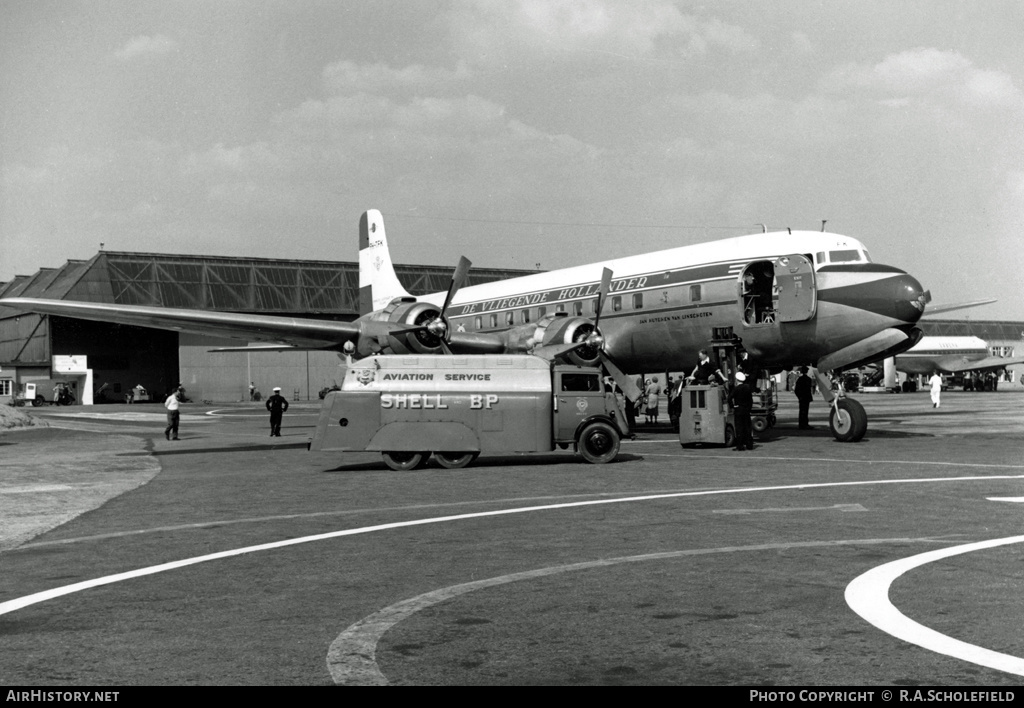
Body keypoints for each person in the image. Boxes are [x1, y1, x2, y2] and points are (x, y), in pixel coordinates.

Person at [728, 371, 754, 451]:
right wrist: (749, 408)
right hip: (746, 410)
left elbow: (729, 398)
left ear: (737, 380)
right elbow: (751, 400)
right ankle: (749, 445)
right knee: (747, 427)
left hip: (738, 410)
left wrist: (732, 406)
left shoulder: (736, 389)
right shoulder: (748, 388)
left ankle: (740, 446)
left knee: (739, 428)